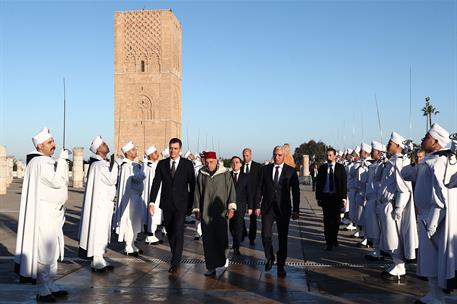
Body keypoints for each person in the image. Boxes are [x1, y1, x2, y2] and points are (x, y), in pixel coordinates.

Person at [402, 124, 456, 303]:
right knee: (428, 257)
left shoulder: (440, 161)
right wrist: (409, 159)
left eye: (426, 137)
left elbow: (443, 193)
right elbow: (407, 174)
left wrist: (434, 220)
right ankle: (433, 293)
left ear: (436, 141)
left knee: (438, 257)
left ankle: (438, 295)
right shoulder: (429, 160)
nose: (423, 139)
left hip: (436, 215)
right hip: (425, 213)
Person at [15, 128, 70, 302]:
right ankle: (42, 288)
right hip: (45, 213)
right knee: (45, 252)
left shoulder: (44, 161)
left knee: (52, 251)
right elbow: (56, 181)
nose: (53, 145)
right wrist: (62, 161)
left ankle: (51, 283)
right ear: (40, 146)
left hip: (54, 213)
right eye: (49, 142)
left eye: (53, 141)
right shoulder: (41, 163)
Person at [148, 138, 196, 273]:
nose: (172, 151)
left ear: (180, 150)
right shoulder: (162, 164)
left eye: (175, 148)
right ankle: (175, 253)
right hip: (167, 204)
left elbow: (192, 186)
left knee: (179, 232)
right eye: (171, 148)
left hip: (182, 204)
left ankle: (175, 261)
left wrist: (191, 205)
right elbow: (156, 183)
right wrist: (152, 202)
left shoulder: (187, 164)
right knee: (170, 232)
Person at [252, 145, 300, 277]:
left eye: (279, 155)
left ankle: (281, 264)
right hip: (267, 208)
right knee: (265, 235)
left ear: (283, 156)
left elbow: (296, 192)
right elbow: (259, 189)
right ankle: (269, 256)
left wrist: (296, 209)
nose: (277, 157)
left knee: (282, 238)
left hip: (283, 210)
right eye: (275, 155)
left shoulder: (291, 171)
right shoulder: (265, 169)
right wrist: (257, 206)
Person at [378, 132, 418, 280]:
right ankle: (395, 262)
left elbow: (404, 188)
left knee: (393, 237)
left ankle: (400, 266)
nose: (388, 145)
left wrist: (399, 207)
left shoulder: (399, 162)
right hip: (385, 203)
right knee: (388, 237)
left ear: (398, 146)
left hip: (393, 204)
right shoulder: (391, 162)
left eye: (390, 143)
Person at [78, 136, 119, 272]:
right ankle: (97, 259)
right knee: (99, 231)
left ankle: (100, 258)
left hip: (104, 204)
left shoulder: (100, 164)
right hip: (100, 206)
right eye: (103, 144)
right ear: (98, 150)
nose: (106, 145)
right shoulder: (99, 165)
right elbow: (111, 179)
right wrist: (116, 164)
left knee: (102, 231)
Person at [193, 151, 237, 276]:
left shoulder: (225, 174)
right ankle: (211, 267)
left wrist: (231, 208)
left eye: (211, 162)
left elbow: (231, 191)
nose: (209, 165)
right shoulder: (202, 174)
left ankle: (223, 259)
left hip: (221, 213)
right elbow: (197, 192)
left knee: (221, 237)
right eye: (206, 162)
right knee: (208, 240)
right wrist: (197, 209)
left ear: (216, 161)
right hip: (206, 212)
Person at [113, 141, 146, 256]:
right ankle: (128, 245)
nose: (135, 151)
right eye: (133, 150)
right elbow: (137, 178)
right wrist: (142, 171)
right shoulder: (127, 166)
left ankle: (132, 243)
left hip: (136, 197)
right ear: (127, 153)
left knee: (135, 221)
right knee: (128, 220)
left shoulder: (134, 165)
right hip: (130, 197)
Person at [315, 147, 348, 251]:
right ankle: (329, 242)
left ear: (335, 156)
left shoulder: (340, 168)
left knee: (336, 220)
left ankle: (334, 238)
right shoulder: (322, 168)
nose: (328, 157)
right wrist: (318, 197)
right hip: (326, 197)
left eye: (330, 155)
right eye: (327, 155)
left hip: (336, 198)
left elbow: (344, 183)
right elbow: (318, 184)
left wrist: (344, 198)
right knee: (327, 221)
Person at [364, 141, 386, 261]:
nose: (371, 153)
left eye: (373, 150)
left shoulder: (382, 165)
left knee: (377, 227)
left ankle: (378, 250)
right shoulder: (374, 165)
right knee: (372, 226)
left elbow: (378, 178)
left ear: (379, 152)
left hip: (377, 199)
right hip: (371, 198)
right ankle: (375, 249)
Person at [228, 156, 251, 255]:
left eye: (237, 162)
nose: (235, 164)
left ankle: (236, 246)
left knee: (238, 225)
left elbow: (249, 192)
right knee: (231, 226)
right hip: (229, 206)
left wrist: (250, 206)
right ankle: (235, 240)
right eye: (233, 162)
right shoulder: (227, 175)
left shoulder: (246, 177)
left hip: (241, 205)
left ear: (241, 164)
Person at [142, 145, 163, 245]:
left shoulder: (153, 165)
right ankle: (150, 234)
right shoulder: (149, 166)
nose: (157, 154)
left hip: (157, 194)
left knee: (155, 213)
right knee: (152, 213)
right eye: (155, 152)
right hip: (152, 194)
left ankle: (152, 233)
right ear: (150, 155)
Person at [242, 148, 262, 246]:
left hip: (254, 197)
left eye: (247, 155)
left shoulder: (257, 167)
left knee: (253, 219)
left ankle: (252, 237)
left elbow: (260, 183)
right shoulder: (240, 165)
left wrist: (259, 198)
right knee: (239, 217)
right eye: (244, 155)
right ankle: (241, 234)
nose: (245, 158)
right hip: (242, 196)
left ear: (251, 155)